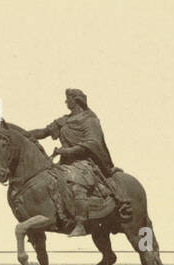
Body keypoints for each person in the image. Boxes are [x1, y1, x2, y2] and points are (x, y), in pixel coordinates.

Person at [26, 88, 132, 231]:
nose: (65, 101)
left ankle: (80, 222)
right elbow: (43, 132)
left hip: (85, 163)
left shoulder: (90, 120)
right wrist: (20, 134)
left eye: (67, 99)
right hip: (65, 164)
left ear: (76, 100)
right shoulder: (64, 120)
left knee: (76, 183)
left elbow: (91, 143)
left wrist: (66, 151)